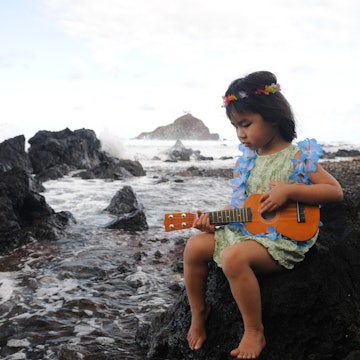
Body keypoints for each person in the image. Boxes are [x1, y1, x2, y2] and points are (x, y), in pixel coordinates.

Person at [183, 71, 343, 359]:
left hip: (282, 239)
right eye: (235, 127)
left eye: (246, 124)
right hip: (249, 231)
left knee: (234, 257)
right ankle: (199, 311)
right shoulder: (250, 161)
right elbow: (247, 210)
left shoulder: (297, 158)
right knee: (194, 246)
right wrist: (212, 221)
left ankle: (254, 331)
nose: (240, 134)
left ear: (273, 117)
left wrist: (290, 192)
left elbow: (334, 191)